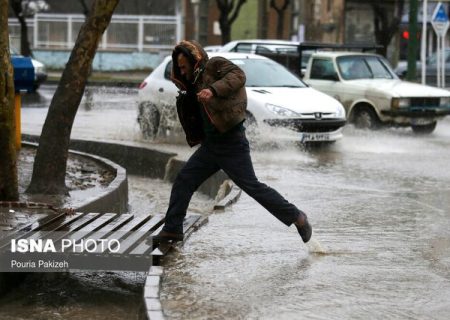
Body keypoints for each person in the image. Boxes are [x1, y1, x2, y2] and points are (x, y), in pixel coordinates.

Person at [152, 40, 312, 244]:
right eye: (179, 69)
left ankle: (298, 217)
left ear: (194, 60)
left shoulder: (215, 65)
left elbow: (238, 76)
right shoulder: (192, 84)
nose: (182, 72)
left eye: (184, 67)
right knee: (184, 180)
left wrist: (213, 90)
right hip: (211, 146)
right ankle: (173, 230)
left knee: (253, 187)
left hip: (232, 143)